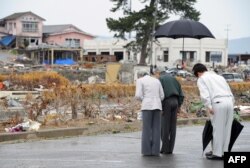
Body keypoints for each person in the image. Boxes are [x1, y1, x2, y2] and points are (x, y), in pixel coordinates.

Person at [192, 63, 234, 160]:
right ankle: (224, 152)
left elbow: (204, 94)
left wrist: (209, 106)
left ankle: (217, 154)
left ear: (198, 73)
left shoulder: (202, 79)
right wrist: (232, 103)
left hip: (218, 103)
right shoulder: (219, 77)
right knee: (227, 130)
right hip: (229, 102)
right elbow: (229, 90)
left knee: (217, 130)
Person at [154, 68, 184, 154]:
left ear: (160, 74)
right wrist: (179, 105)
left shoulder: (160, 79)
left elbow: (160, 94)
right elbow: (181, 94)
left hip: (166, 102)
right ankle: (170, 149)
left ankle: (165, 148)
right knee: (173, 126)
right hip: (175, 102)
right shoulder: (175, 79)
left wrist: (161, 106)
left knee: (164, 126)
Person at [135, 70, 164, 156]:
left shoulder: (140, 81)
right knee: (156, 129)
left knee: (146, 129)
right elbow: (162, 95)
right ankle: (155, 151)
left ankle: (146, 151)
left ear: (140, 75)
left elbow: (138, 95)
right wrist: (157, 100)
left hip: (147, 106)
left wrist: (144, 99)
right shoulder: (156, 80)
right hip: (158, 106)